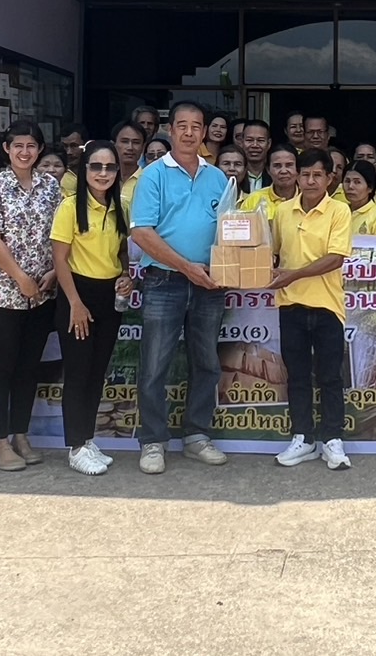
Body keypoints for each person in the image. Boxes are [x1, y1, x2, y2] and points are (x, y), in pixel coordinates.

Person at [129, 102, 234, 475]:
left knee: (205, 362)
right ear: (170, 130)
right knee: (155, 364)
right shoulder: (154, 175)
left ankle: (196, 436)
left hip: (209, 282)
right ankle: (154, 441)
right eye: (182, 126)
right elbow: (142, 232)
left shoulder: (218, 179)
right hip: (165, 280)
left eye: (197, 126)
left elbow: (230, 230)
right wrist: (186, 267)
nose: (190, 133)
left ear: (205, 132)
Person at [0, 119, 63, 472]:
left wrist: (54, 272)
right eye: (17, 146)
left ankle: (21, 434)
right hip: (2, 292)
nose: (24, 152)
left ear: (40, 150)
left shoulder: (51, 188)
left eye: (31, 146)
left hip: (43, 291)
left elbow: (62, 233)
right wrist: (20, 278)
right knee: (1, 367)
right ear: (7, 150)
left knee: (29, 367)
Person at [268, 148, 355, 470]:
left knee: (330, 377)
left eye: (318, 174)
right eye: (305, 174)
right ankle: (303, 438)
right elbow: (272, 253)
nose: (310, 180)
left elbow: (335, 258)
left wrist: (292, 274)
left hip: (327, 306)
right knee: (298, 377)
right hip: (290, 305)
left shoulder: (339, 211)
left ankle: (333, 440)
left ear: (331, 178)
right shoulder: (282, 212)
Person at [50, 140, 129, 476]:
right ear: (84, 170)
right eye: (95, 166)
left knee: (97, 373)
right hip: (77, 294)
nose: (102, 173)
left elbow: (122, 251)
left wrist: (127, 276)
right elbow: (59, 258)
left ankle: (87, 437)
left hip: (108, 296)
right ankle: (75, 446)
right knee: (79, 373)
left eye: (109, 167)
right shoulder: (69, 207)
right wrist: (75, 304)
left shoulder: (120, 206)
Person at [241, 144, 301, 220]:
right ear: (268, 170)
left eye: (289, 165)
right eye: (277, 166)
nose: (283, 171)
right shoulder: (254, 199)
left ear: (297, 169)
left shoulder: (306, 199)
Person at [343, 161, 376, 236]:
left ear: (370, 188)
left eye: (357, 182)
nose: (350, 186)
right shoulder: (340, 211)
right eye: (347, 181)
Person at [111, 120, 146, 211]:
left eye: (136, 142)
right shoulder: (104, 177)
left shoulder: (148, 180)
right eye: (124, 141)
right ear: (113, 144)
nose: (130, 147)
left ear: (143, 147)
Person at [240, 119, 272, 191]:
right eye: (249, 140)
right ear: (242, 142)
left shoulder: (274, 175)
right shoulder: (235, 174)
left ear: (269, 143)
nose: (255, 145)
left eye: (260, 140)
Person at [59, 123, 89, 195]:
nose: (69, 152)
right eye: (65, 146)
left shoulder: (95, 172)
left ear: (86, 145)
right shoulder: (57, 172)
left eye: (74, 146)